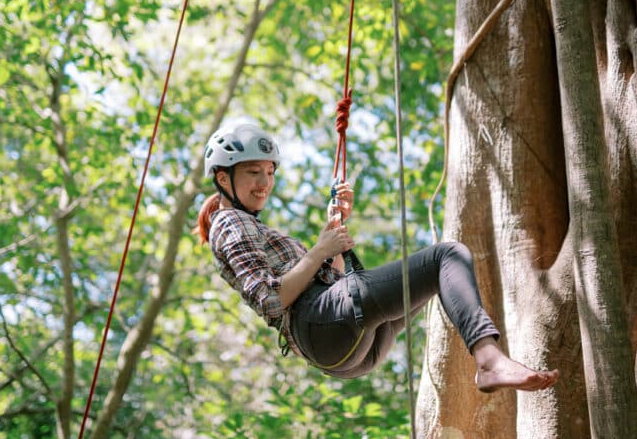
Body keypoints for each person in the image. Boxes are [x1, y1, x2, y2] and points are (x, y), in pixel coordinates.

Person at [197, 119, 559, 391]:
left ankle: (489, 359)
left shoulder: (251, 225)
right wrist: (320, 250)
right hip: (319, 325)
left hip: (345, 348)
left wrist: (334, 230)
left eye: (269, 172)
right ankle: (490, 361)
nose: (264, 183)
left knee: (439, 277)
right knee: (445, 258)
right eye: (252, 172)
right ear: (223, 178)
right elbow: (271, 301)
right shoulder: (229, 223)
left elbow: (332, 280)